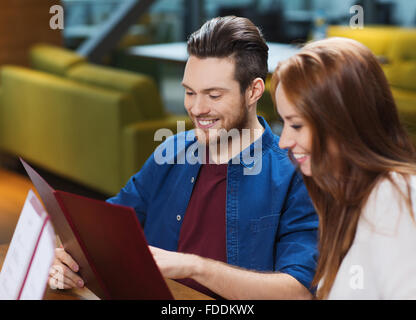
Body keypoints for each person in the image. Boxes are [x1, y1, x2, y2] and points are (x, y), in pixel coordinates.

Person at [49, 16, 318, 300]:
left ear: (253, 91)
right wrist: (65, 256)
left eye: (213, 95)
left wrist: (196, 267)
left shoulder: (295, 173)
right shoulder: (170, 152)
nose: (197, 108)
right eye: (190, 92)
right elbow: (99, 230)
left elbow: (298, 292)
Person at [272, 37, 416, 299]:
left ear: (340, 122)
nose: (284, 142)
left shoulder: (393, 197)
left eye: (296, 125)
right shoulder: (346, 195)